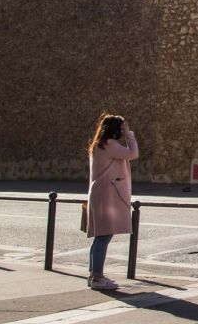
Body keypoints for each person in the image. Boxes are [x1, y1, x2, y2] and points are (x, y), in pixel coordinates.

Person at [85, 113, 138, 291]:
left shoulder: (98, 144)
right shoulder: (110, 144)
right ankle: (97, 277)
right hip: (107, 194)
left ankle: (94, 274)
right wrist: (129, 134)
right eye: (122, 127)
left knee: (100, 236)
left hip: (100, 193)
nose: (124, 130)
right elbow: (133, 154)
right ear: (116, 129)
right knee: (104, 236)